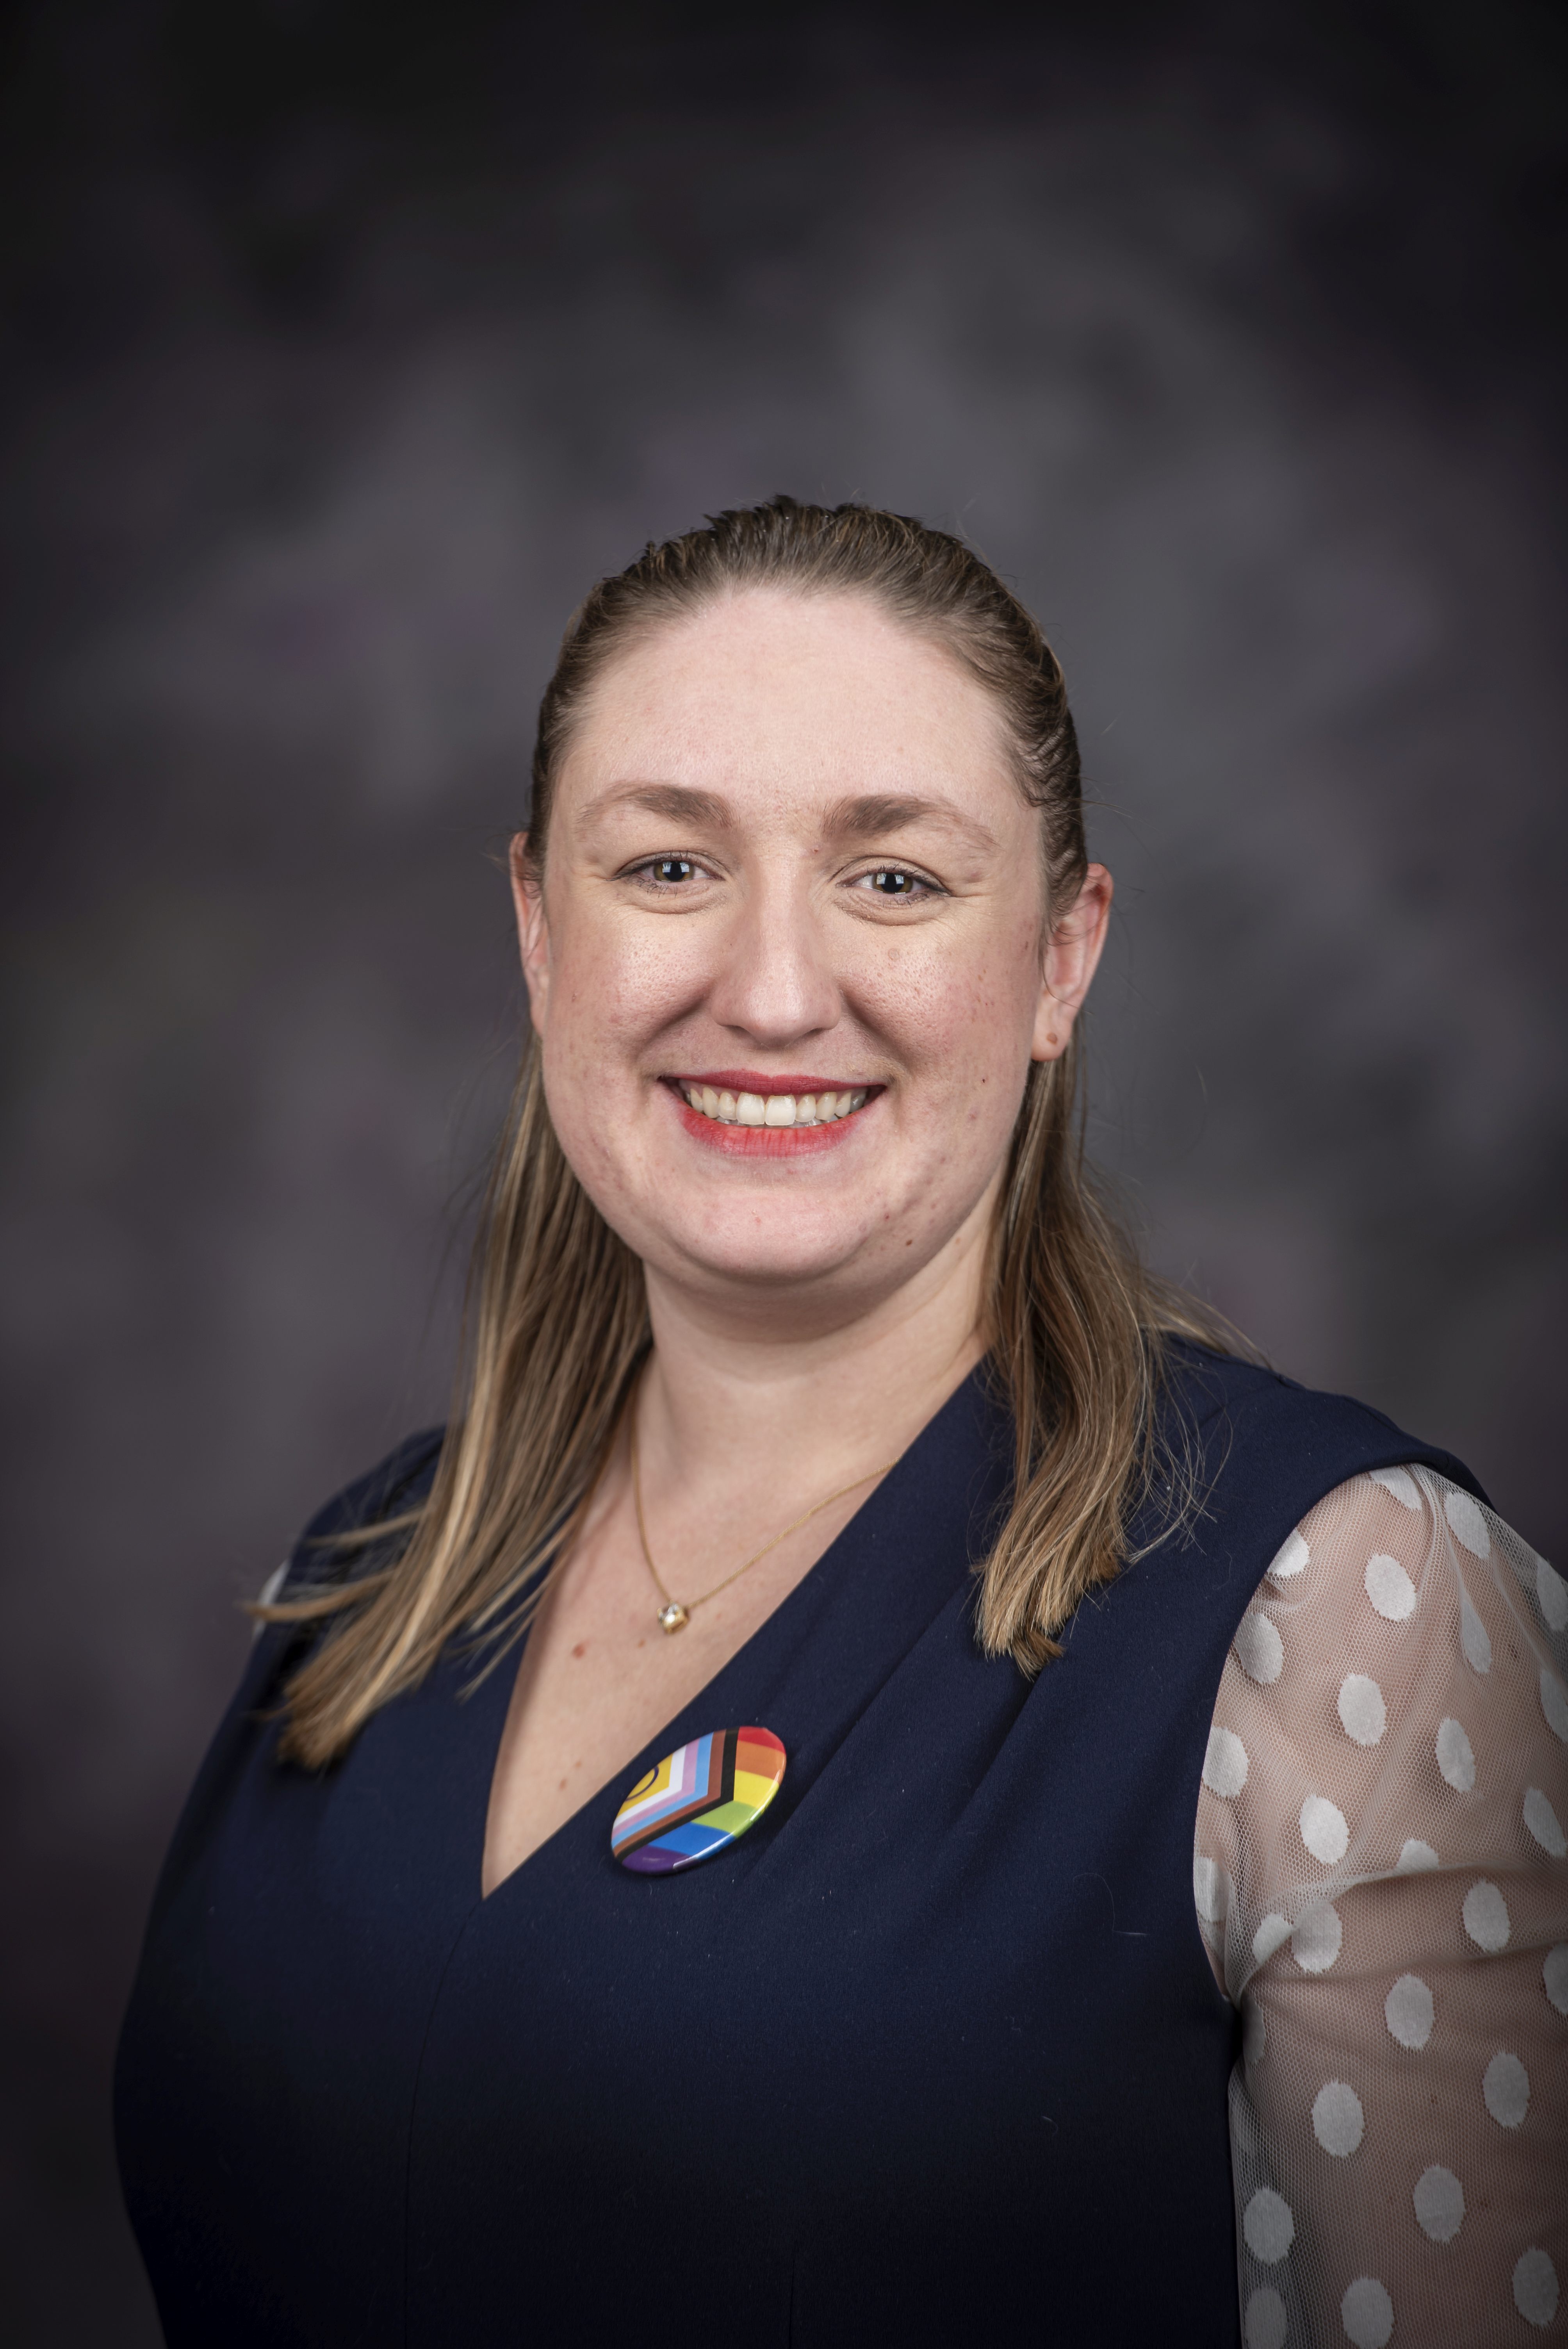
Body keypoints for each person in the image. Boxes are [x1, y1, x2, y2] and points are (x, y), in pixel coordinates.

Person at [115, 499, 1566, 2348]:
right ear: (537, 932)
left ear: (1056, 961)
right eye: (665, 868)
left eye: (892, 878)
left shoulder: (1358, 1605)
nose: (774, 989)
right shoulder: (355, 1581)